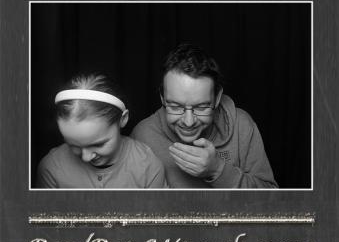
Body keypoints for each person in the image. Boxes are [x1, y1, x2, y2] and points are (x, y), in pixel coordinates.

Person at [132, 43, 277, 189]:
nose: (189, 122)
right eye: (176, 107)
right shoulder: (143, 135)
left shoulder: (242, 126)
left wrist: (217, 170)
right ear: (162, 98)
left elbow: (271, 197)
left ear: (217, 98)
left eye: (201, 107)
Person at [36, 73, 166, 188]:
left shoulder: (148, 166)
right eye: (74, 145)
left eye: (98, 144)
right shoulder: (51, 167)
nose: (86, 157)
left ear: (123, 119)